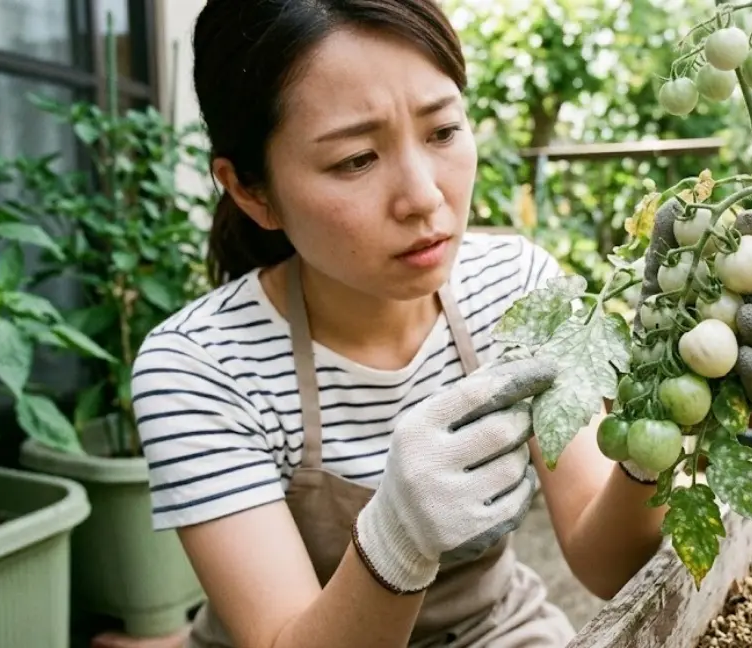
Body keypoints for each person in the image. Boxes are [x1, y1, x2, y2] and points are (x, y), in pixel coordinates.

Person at [129, 1, 670, 647]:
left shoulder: (517, 290)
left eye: (442, 132)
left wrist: (656, 425)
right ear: (251, 191)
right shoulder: (200, 369)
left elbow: (607, 564)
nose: (423, 197)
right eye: (356, 159)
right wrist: (394, 545)